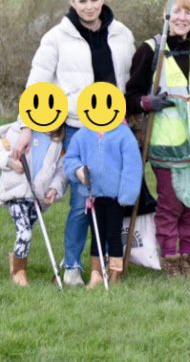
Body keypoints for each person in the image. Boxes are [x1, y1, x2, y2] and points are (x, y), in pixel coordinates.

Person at [11, 0, 135, 286]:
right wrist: (26, 126)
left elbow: (129, 81)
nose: (90, 6)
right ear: (72, 2)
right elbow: (37, 82)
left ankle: (109, 262)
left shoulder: (122, 34)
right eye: (83, 1)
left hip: (115, 129)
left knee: (111, 197)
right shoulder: (56, 37)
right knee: (83, 199)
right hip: (79, 127)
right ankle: (71, 267)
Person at [125, 0, 190, 278]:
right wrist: (145, 102)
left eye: (187, 12)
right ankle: (169, 257)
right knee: (171, 204)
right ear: (165, 15)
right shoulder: (151, 50)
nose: (182, 17)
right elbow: (130, 96)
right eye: (176, 11)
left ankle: (188, 257)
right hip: (166, 143)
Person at [64, 121, 142, 287]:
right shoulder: (83, 134)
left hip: (116, 199)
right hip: (93, 197)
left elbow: (132, 166)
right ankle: (96, 273)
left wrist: (127, 195)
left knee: (114, 235)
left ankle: (115, 273)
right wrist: (77, 170)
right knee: (97, 235)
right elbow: (71, 157)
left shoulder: (123, 135)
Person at [1, 125, 66, 286]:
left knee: (25, 233)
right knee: (25, 234)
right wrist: (9, 162)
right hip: (16, 192)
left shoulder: (58, 143)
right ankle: (18, 273)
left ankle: (16, 261)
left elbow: (61, 171)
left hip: (37, 198)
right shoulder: (19, 131)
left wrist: (53, 189)